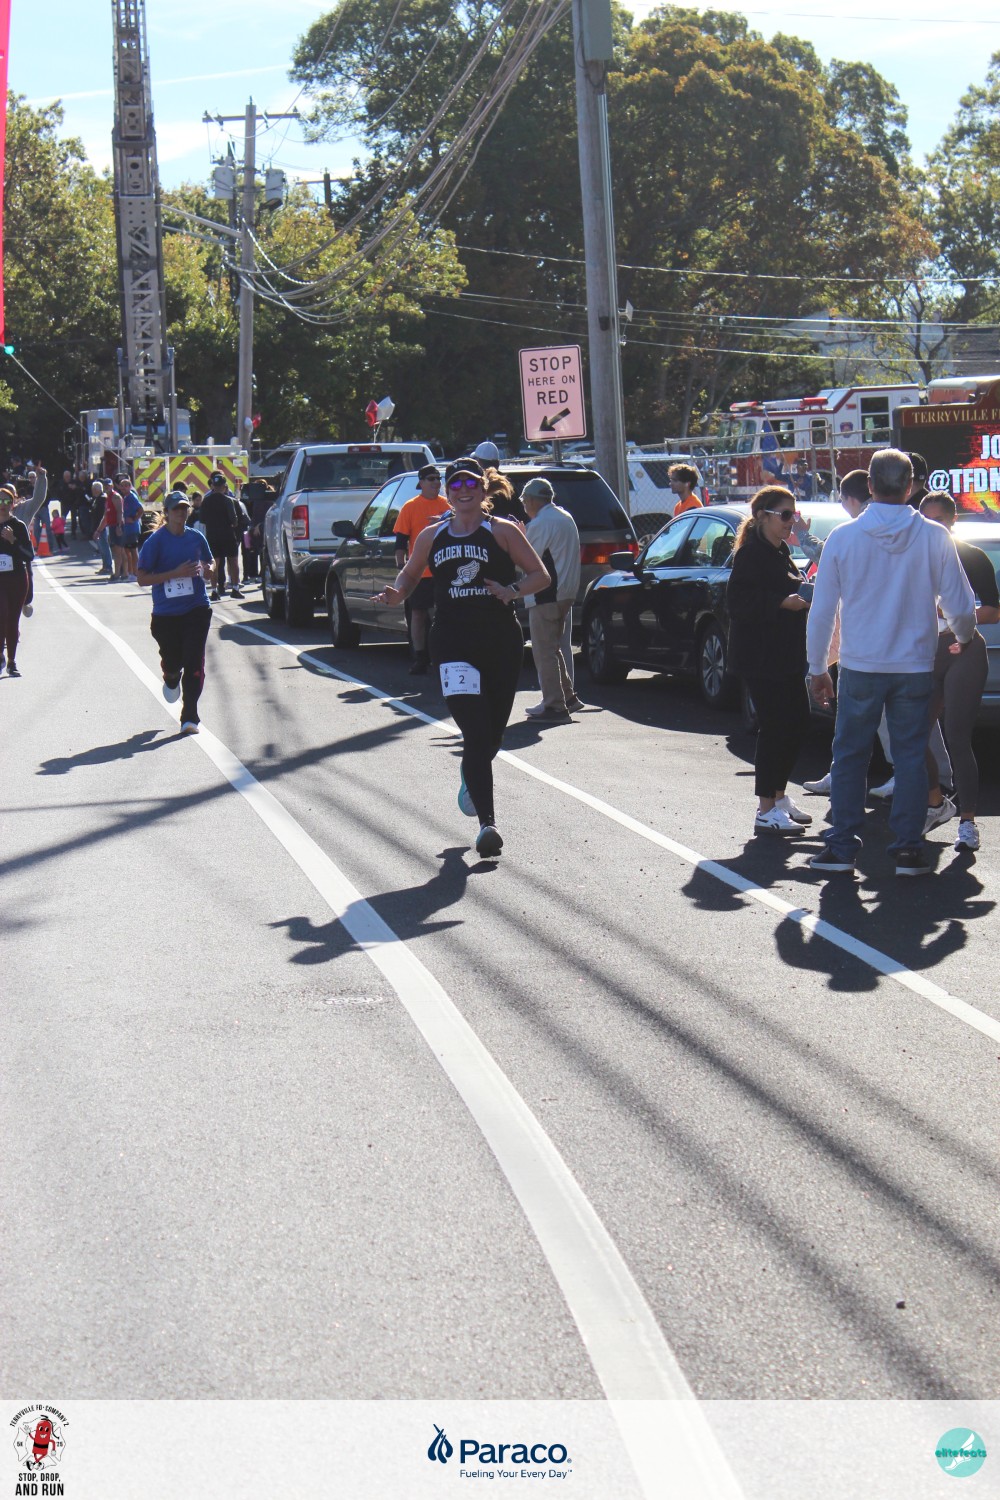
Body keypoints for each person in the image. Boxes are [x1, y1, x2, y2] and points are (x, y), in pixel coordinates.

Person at [807, 449, 976, 877]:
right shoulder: (934, 537)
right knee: (910, 756)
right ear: (910, 486)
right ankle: (908, 848)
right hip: (914, 664)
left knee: (850, 755)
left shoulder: (843, 538)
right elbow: (960, 606)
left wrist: (817, 667)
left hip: (861, 663)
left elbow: (823, 611)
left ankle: (842, 847)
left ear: (870, 485)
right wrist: (961, 636)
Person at [372, 457, 550, 858]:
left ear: (483, 489)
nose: (464, 490)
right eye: (456, 485)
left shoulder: (502, 531)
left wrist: (512, 591)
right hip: (452, 644)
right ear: (447, 493)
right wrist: (397, 592)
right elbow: (411, 574)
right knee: (475, 732)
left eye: (471, 483)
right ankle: (488, 824)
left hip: (499, 642)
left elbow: (540, 576)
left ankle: (471, 770)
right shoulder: (431, 535)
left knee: (493, 735)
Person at [726, 486, 813, 834]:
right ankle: (765, 809)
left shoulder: (779, 551)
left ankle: (778, 797)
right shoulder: (751, 553)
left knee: (798, 722)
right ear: (763, 516)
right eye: (785, 515)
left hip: (785, 654)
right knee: (775, 727)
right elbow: (737, 602)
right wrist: (781, 602)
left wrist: (802, 594)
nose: (791, 521)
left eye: (795, 514)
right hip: (761, 656)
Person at [919, 491, 1000, 850]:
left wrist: (952, 614)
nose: (932, 526)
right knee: (914, 734)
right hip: (924, 652)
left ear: (953, 521)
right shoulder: (912, 557)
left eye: (939, 520)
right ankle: (936, 802)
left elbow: (993, 611)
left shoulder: (971, 556)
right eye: (926, 519)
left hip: (963, 648)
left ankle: (968, 821)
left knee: (957, 736)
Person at [137, 491, 216, 735]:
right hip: (166, 614)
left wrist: (208, 569)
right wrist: (175, 573)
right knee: (174, 662)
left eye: (184, 508)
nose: (181, 512)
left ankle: (190, 716)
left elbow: (210, 562)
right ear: (167, 513)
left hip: (196, 607)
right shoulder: (156, 542)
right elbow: (142, 578)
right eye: (176, 509)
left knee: (194, 661)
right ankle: (171, 675)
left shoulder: (196, 537)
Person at [521, 476, 583, 720]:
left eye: (524, 501)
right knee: (553, 648)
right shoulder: (565, 517)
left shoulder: (541, 523)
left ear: (532, 500)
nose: (524, 505)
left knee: (543, 651)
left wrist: (519, 536)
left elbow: (526, 559)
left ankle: (554, 705)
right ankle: (568, 697)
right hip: (565, 593)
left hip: (546, 594)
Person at [392, 464, 450, 674]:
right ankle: (420, 656)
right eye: (431, 479)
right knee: (417, 615)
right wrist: (402, 567)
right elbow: (401, 542)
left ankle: (442, 656)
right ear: (421, 482)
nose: (436, 482)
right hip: (420, 573)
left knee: (440, 616)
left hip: (444, 572)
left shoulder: (447, 506)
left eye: (438, 479)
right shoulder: (410, 507)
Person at [0, 485, 34, 676]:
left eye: (7, 501)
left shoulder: (18, 526)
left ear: (12, 504)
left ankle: (11, 661)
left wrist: (13, 540)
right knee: (2, 614)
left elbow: (29, 555)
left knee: (12, 620)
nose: (2, 504)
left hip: (17, 579)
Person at [199, 471, 243, 600]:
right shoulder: (229, 501)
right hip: (228, 535)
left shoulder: (206, 501)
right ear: (225, 486)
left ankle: (214, 591)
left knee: (215, 563)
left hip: (212, 536)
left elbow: (202, 519)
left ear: (212, 486)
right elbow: (234, 521)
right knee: (233, 561)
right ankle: (235, 588)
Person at [115, 473, 144, 582]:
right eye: (121, 486)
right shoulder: (125, 497)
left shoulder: (132, 497)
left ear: (129, 486)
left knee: (133, 551)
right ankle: (130, 572)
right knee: (127, 551)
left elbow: (141, 510)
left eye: (125, 486)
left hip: (132, 529)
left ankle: (136, 573)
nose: (122, 488)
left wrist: (134, 519)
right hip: (126, 529)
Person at [89, 480, 114, 575]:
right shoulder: (97, 498)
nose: (92, 491)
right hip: (98, 527)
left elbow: (103, 515)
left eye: (93, 489)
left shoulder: (102, 499)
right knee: (101, 548)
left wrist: (99, 528)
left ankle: (108, 567)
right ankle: (105, 566)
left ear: (97, 490)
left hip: (102, 527)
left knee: (104, 547)